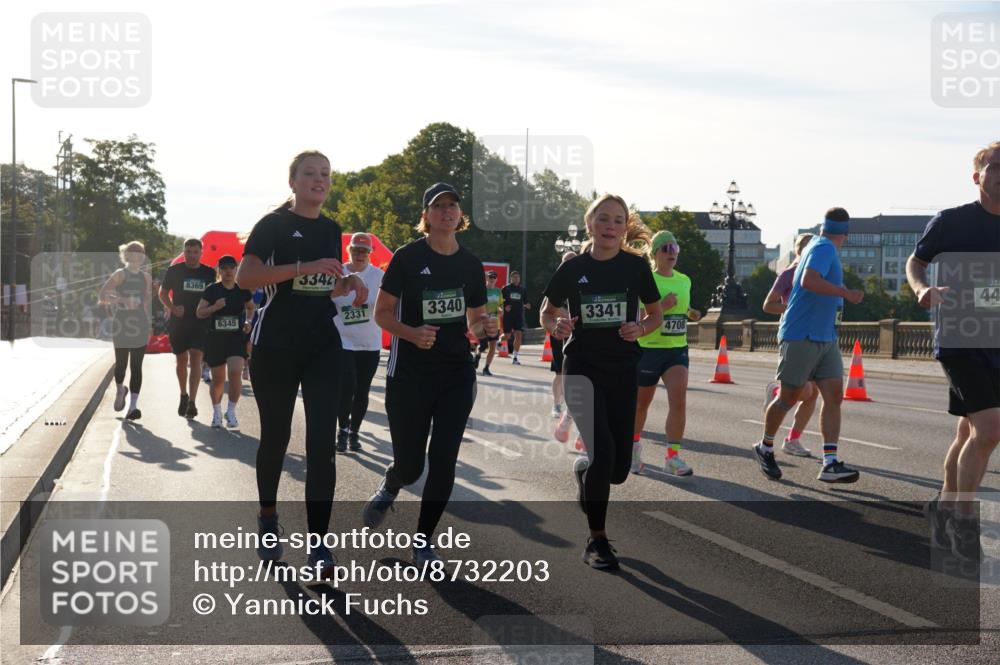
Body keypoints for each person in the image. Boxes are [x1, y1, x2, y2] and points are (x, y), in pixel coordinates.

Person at [236, 150, 368, 576]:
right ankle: (269, 518)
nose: (319, 180)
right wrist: (305, 265)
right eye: (310, 173)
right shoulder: (273, 225)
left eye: (325, 174)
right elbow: (247, 278)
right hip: (275, 344)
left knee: (321, 445)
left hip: (322, 345)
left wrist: (347, 284)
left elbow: (320, 288)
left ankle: (319, 546)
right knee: (275, 436)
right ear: (292, 181)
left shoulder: (331, 229)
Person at [362, 182, 496, 566]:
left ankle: (423, 541)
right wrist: (411, 333)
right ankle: (392, 482)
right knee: (411, 464)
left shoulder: (470, 264)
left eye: (453, 206)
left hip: (455, 372)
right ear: (426, 216)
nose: (447, 211)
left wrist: (482, 328)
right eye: (438, 206)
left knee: (444, 459)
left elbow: (474, 318)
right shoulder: (407, 258)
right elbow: (382, 313)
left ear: (460, 215)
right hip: (410, 374)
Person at [541, 193, 662, 571]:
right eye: (604, 219)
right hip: (582, 368)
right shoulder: (573, 268)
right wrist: (556, 325)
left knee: (618, 470)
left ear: (625, 228)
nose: (611, 226)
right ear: (590, 224)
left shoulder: (635, 267)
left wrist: (639, 326)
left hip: (622, 368)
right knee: (603, 452)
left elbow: (655, 314)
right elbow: (547, 312)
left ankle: (584, 472)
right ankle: (597, 540)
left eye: (618, 220)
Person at [907, 140, 1000, 562]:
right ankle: (964, 520)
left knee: (967, 431)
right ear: (977, 175)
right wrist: (922, 289)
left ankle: (943, 506)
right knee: (989, 429)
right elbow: (916, 261)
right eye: (995, 167)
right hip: (961, 338)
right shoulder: (951, 222)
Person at [751, 207, 864, 484]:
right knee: (788, 397)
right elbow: (808, 280)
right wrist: (846, 293)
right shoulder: (824, 248)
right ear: (846, 235)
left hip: (825, 337)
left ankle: (830, 462)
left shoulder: (819, 245)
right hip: (802, 335)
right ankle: (765, 447)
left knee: (834, 396)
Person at [632, 230, 702, 476]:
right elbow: (637, 317)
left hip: (676, 349)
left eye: (675, 248)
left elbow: (682, 310)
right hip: (648, 349)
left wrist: (690, 313)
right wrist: (662, 306)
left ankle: (672, 457)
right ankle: (633, 449)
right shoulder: (646, 280)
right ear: (655, 254)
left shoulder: (684, 280)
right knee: (641, 405)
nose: (672, 253)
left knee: (679, 399)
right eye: (666, 249)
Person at [761, 233, 819, 457]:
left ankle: (792, 439)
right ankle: (777, 391)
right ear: (800, 251)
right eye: (810, 248)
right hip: (793, 336)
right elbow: (768, 305)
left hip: (816, 337)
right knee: (802, 392)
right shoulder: (788, 274)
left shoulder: (818, 275)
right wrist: (793, 309)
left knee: (812, 394)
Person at [334, 232, 385, 453]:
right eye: (356, 250)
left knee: (362, 390)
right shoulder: (340, 272)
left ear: (370, 253)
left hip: (370, 343)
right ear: (349, 251)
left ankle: (354, 432)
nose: (360, 255)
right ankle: (342, 430)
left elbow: (388, 304)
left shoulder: (379, 276)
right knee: (347, 387)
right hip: (343, 341)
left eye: (364, 251)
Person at [159, 238, 216, 419]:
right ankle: (183, 394)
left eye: (195, 252)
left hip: (200, 321)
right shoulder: (174, 271)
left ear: (201, 253)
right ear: (184, 252)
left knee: (196, 358)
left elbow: (213, 296)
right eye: (188, 252)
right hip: (180, 321)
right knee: (181, 359)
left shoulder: (208, 273)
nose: (191, 255)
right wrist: (172, 307)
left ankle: (192, 401)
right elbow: (162, 293)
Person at [196, 255, 253, 429]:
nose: (228, 271)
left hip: (235, 338)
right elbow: (199, 312)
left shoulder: (242, 290)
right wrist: (215, 307)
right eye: (224, 268)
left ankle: (231, 411)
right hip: (216, 339)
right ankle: (217, 413)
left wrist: (248, 321)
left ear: (236, 269)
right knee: (219, 379)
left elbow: (251, 307)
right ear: (219, 270)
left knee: (235, 372)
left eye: (231, 267)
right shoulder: (212, 290)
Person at [99, 240, 152, 421]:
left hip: (140, 323)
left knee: (136, 366)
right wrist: (122, 300)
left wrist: (148, 322)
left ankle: (132, 407)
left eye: (141, 252)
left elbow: (146, 302)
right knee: (121, 364)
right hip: (122, 322)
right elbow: (102, 296)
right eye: (134, 251)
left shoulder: (146, 277)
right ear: (126, 255)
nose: (138, 254)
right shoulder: (120, 274)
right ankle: (120, 389)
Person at [546, 250, 577, 440]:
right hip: (559, 334)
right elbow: (548, 310)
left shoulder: (584, 280)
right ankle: (557, 403)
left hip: (577, 336)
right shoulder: (557, 283)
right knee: (560, 373)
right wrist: (564, 318)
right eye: (567, 263)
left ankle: (570, 408)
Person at [473, 271, 503, 376]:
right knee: (483, 345)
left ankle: (486, 368)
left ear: (496, 279)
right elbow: (478, 305)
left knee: (493, 346)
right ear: (486, 278)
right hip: (483, 322)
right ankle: (477, 356)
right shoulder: (482, 291)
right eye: (490, 277)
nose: (492, 278)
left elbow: (500, 305)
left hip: (495, 322)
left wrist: (500, 309)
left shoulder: (498, 291)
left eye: (494, 277)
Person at [501, 270, 530, 364]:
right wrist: (505, 307)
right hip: (508, 316)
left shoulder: (523, 289)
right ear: (511, 278)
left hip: (518, 315)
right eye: (514, 277)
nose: (516, 279)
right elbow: (500, 301)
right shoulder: (506, 289)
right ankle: (499, 341)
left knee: (518, 335)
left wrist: (528, 305)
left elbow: (526, 301)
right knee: (507, 336)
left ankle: (515, 357)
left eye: (518, 277)